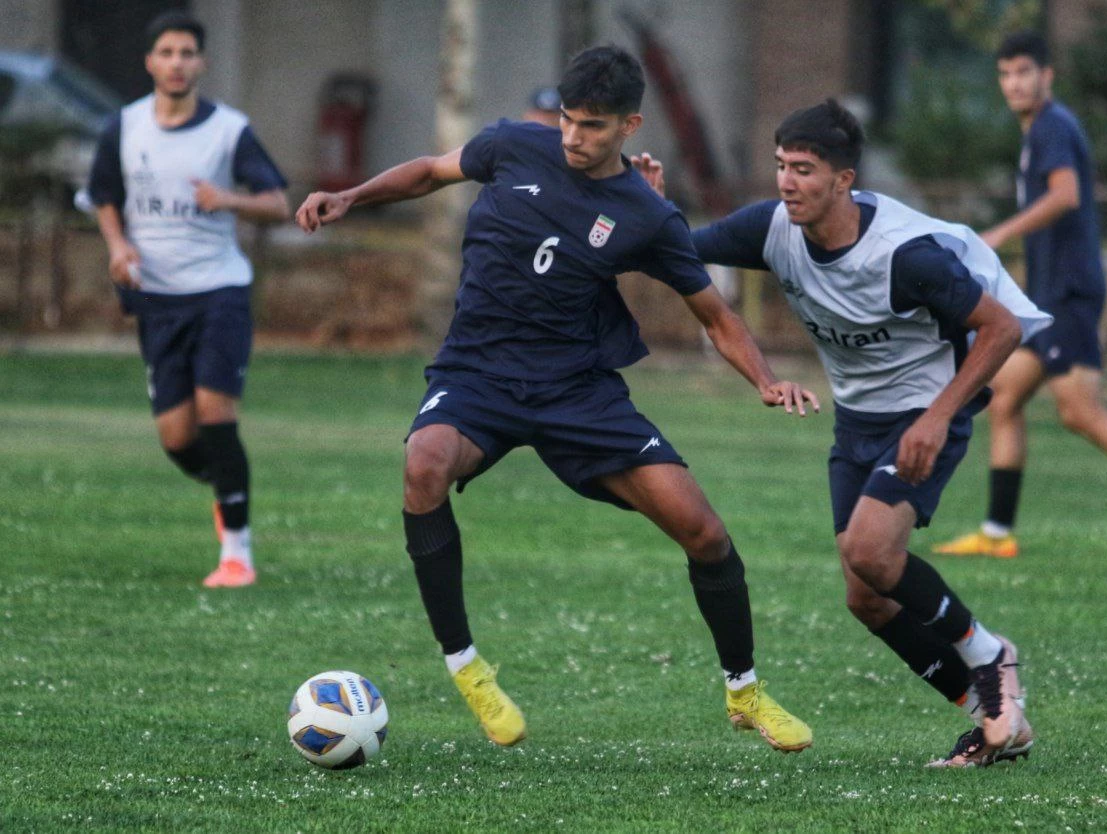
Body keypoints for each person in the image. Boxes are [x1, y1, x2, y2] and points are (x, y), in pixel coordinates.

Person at [295, 45, 816, 752]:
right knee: (424, 463)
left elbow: (717, 318)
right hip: (478, 373)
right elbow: (428, 171)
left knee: (706, 533)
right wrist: (351, 196)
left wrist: (765, 379)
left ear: (629, 125)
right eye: (569, 120)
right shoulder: (513, 145)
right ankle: (468, 669)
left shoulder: (645, 214)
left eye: (593, 126)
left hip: (577, 390)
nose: (574, 137)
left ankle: (745, 691)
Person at [633, 99, 1048, 766]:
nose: (788, 182)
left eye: (804, 169)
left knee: (871, 553)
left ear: (843, 180)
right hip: (856, 423)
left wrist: (939, 417)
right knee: (867, 598)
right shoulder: (773, 229)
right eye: (780, 167)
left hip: (923, 416)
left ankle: (990, 656)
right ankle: (992, 717)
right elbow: (677, 251)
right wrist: (651, 211)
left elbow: (1000, 329)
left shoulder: (904, 256)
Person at [933, 31, 1107, 566]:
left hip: (1068, 294)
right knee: (1003, 397)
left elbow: (1066, 197)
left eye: (1023, 72)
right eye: (1005, 74)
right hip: (1046, 296)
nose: (1014, 83)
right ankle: (997, 531)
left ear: (1046, 76)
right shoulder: (1039, 130)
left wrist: (998, 235)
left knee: (1081, 411)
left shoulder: (1053, 126)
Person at [87, 11, 290, 588]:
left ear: (201, 62)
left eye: (187, 53)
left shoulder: (228, 129)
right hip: (155, 299)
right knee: (178, 439)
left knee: (215, 413)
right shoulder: (123, 127)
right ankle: (229, 488)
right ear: (151, 62)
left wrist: (226, 199)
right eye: (167, 52)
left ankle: (237, 555)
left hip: (219, 291)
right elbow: (104, 195)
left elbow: (276, 203)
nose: (177, 63)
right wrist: (118, 244)